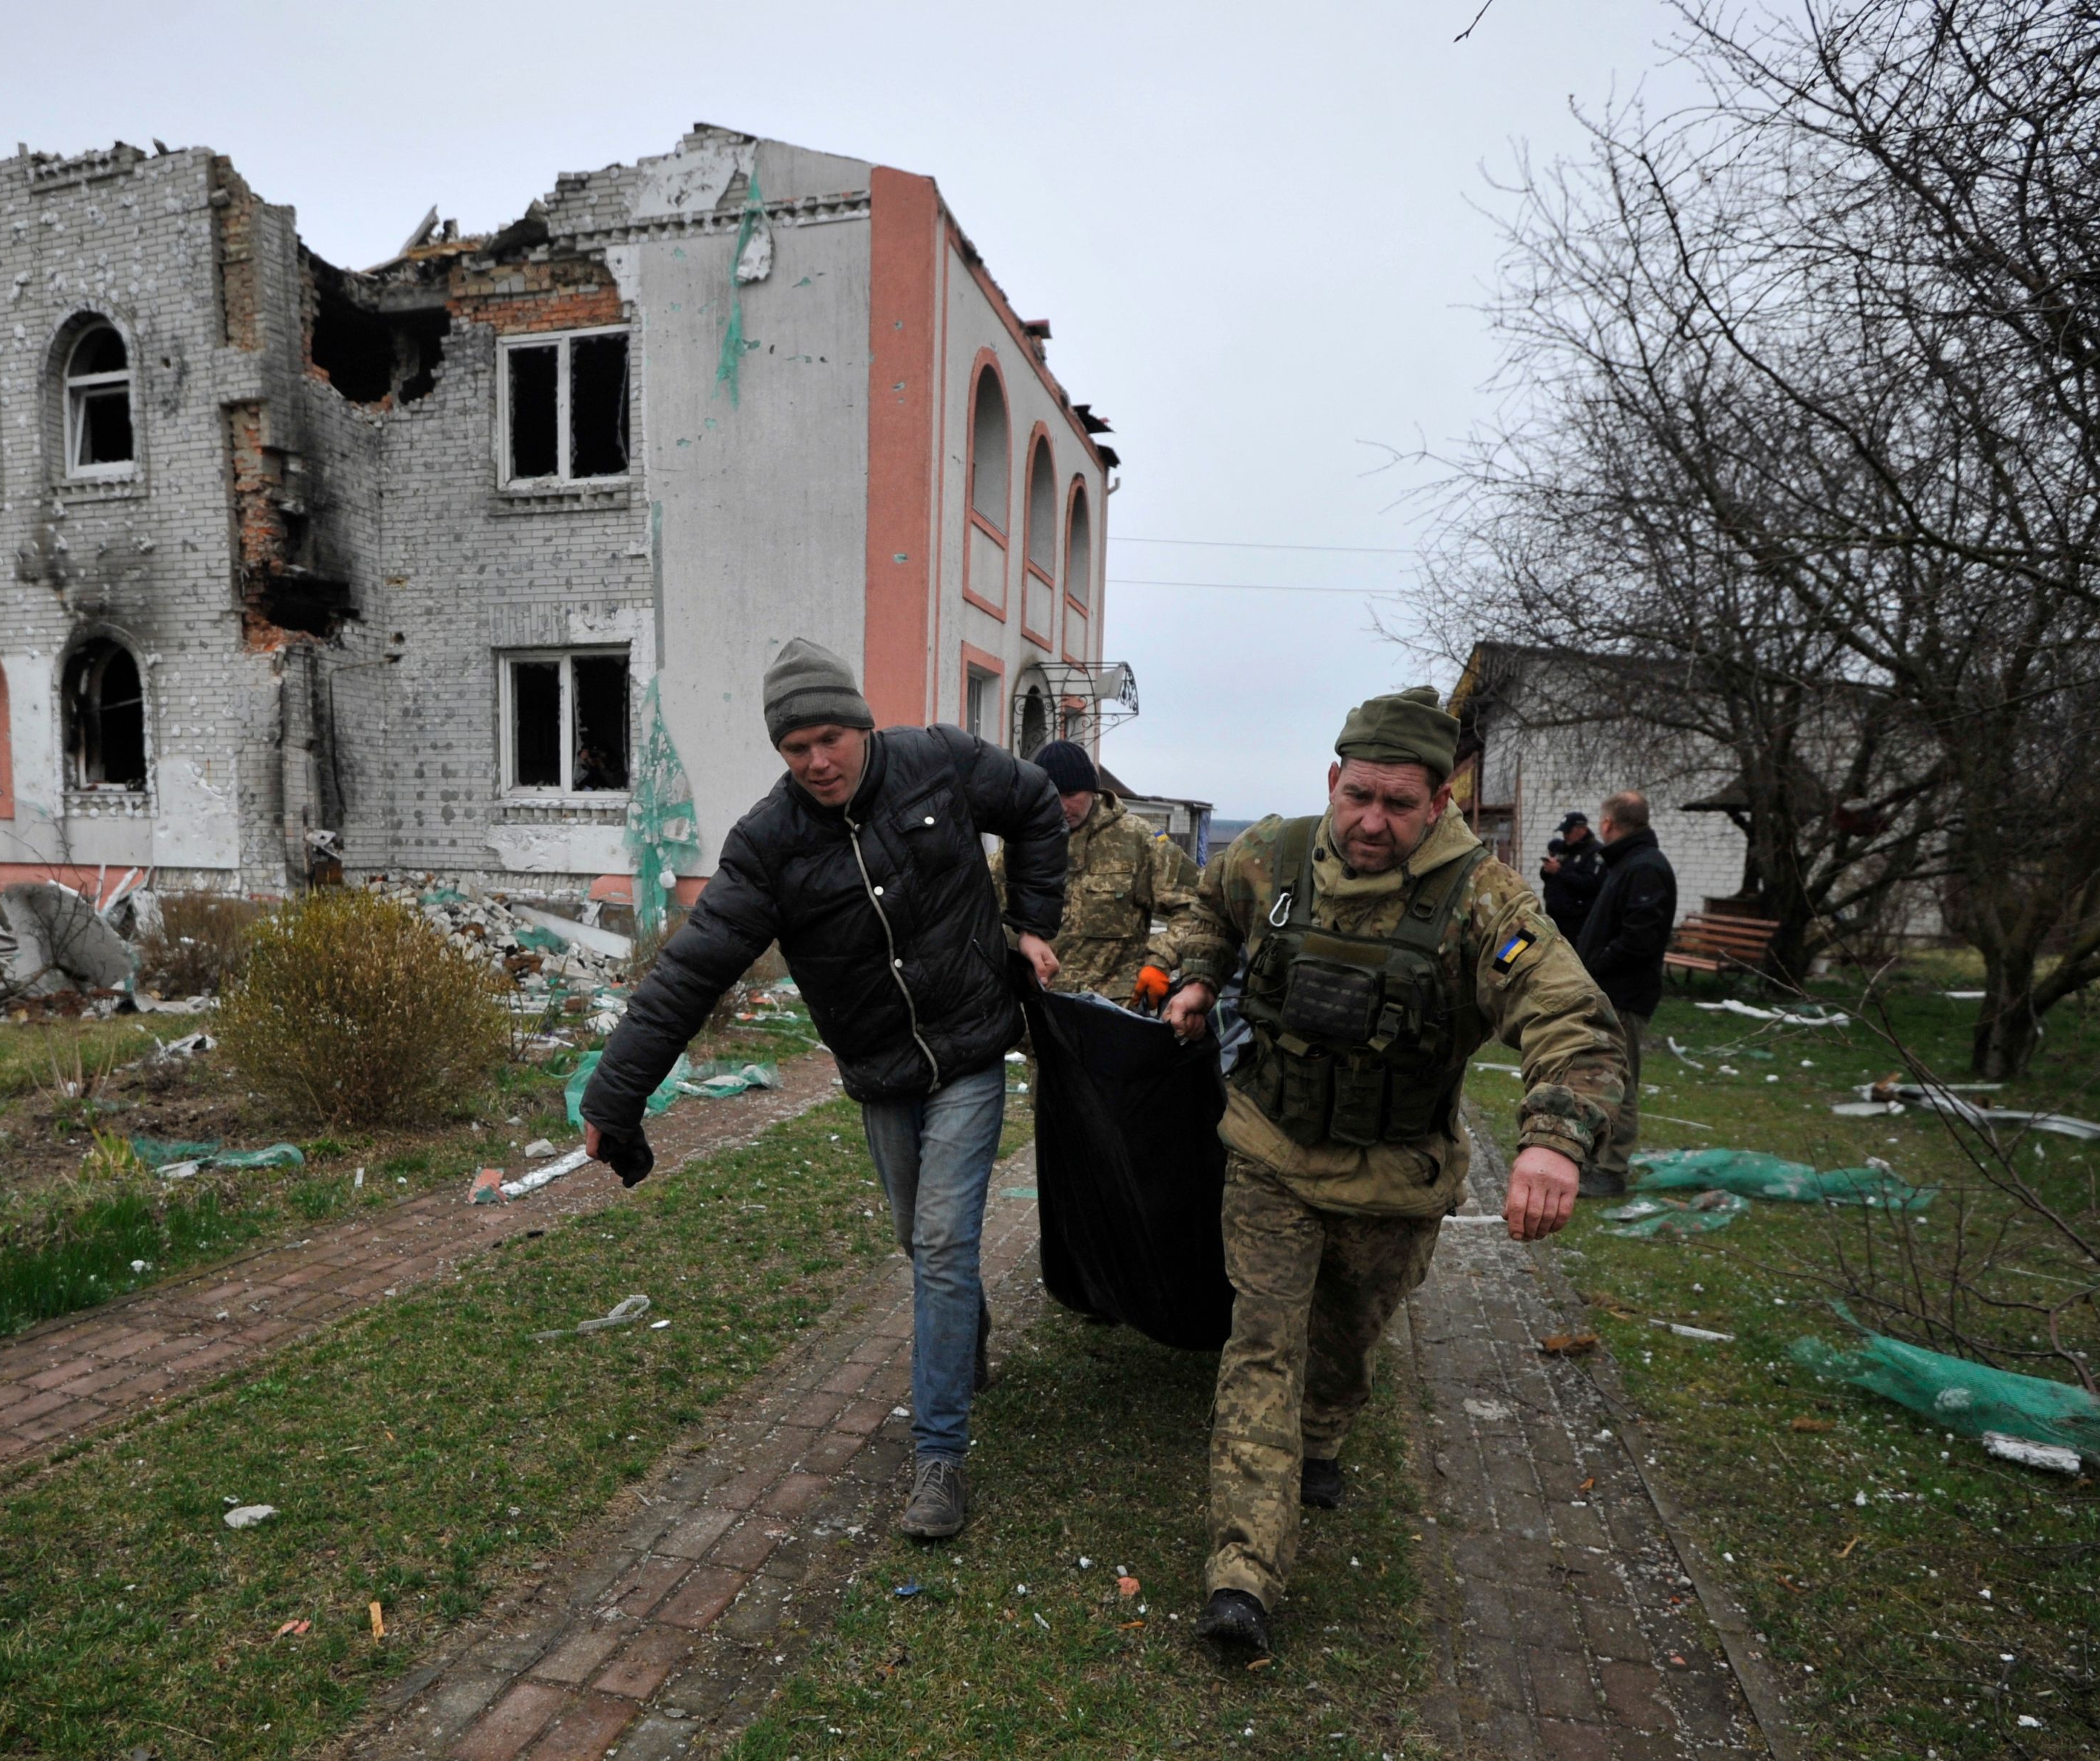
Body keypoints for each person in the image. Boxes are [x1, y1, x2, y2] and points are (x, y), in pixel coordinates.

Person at [1161, 686, 1628, 1655]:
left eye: (1399, 804)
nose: (1373, 821)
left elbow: (1573, 1019)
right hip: (1270, 1157)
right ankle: (1243, 1569)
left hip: (1395, 1179)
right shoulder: (1270, 856)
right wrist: (1199, 972)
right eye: (1358, 795)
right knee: (1262, 1344)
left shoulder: (1483, 901)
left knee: (1344, 1337)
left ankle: (1325, 1432)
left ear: (1439, 799)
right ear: (1333, 780)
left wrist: (1552, 1134)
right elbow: (1209, 907)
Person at [579, 637, 1068, 1541]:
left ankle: (939, 1459)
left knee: (942, 1240)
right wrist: (615, 1097)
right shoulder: (768, 844)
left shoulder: (939, 764)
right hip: (881, 1067)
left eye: (829, 738)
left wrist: (1033, 922)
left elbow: (1038, 803)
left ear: (860, 722)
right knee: (923, 1243)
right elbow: (690, 973)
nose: (816, 761)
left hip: (967, 1045)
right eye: (795, 748)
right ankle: (967, 1339)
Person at [989, 739, 1201, 1008]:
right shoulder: (1022, 843)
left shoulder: (1137, 840)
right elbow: (981, 909)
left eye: (1071, 795)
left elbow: (1196, 906)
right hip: (1039, 1013)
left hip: (1112, 1013)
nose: (1062, 806)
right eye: (1053, 796)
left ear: (1093, 790)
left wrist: (1160, 962)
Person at [1570, 789, 1678, 1199]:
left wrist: (1594, 966)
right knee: (1599, 1078)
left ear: (1609, 824)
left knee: (1620, 1082)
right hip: (1609, 992)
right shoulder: (1627, 865)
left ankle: (1611, 1168)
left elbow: (1639, 940)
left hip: (1625, 996)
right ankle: (1594, 1159)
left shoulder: (1644, 868)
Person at [1539, 809, 1603, 946]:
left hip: (1578, 922)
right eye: (1564, 832)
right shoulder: (1565, 849)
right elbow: (1549, 877)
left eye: (1568, 832)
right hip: (1556, 919)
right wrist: (1547, 870)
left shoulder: (1595, 852)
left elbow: (1591, 884)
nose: (1565, 836)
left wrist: (1560, 872)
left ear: (1582, 830)